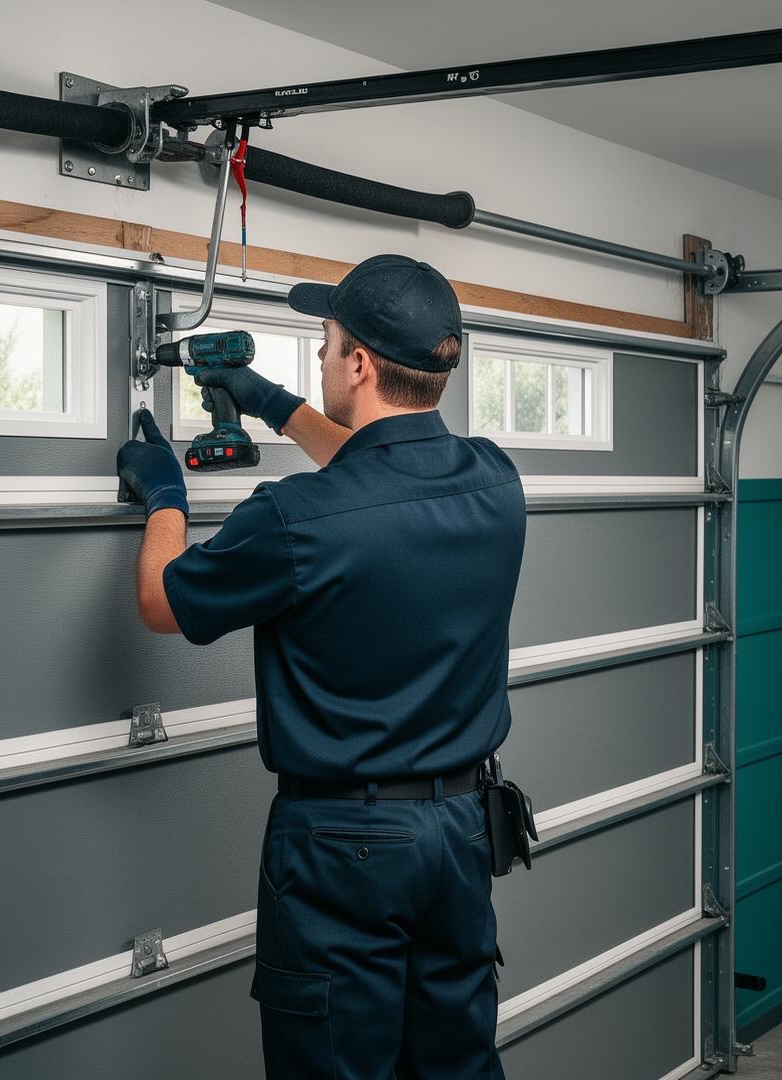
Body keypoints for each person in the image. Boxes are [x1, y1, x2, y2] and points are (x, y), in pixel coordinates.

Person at [115, 254, 524, 1079]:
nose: (322, 357)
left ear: (363, 364)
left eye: (328, 343)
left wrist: (164, 497)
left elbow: (164, 602)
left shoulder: (295, 518)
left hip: (345, 848)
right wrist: (268, 402)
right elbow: (377, 469)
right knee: (456, 1068)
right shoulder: (493, 479)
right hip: (460, 833)